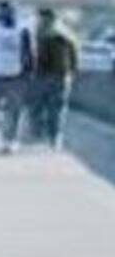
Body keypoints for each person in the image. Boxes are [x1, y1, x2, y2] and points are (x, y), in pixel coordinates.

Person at [0, 0, 34, 153]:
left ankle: (11, 140)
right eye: (1, 11)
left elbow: (28, 54)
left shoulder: (22, 30)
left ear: (13, 13)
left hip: (15, 76)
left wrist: (28, 73)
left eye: (8, 11)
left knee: (15, 109)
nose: (4, 14)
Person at [29, 8, 77, 151]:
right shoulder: (67, 35)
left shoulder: (43, 34)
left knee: (41, 107)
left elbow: (37, 57)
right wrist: (71, 73)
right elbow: (74, 57)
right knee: (56, 109)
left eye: (41, 18)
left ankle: (41, 134)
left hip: (46, 76)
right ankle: (53, 137)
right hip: (61, 76)